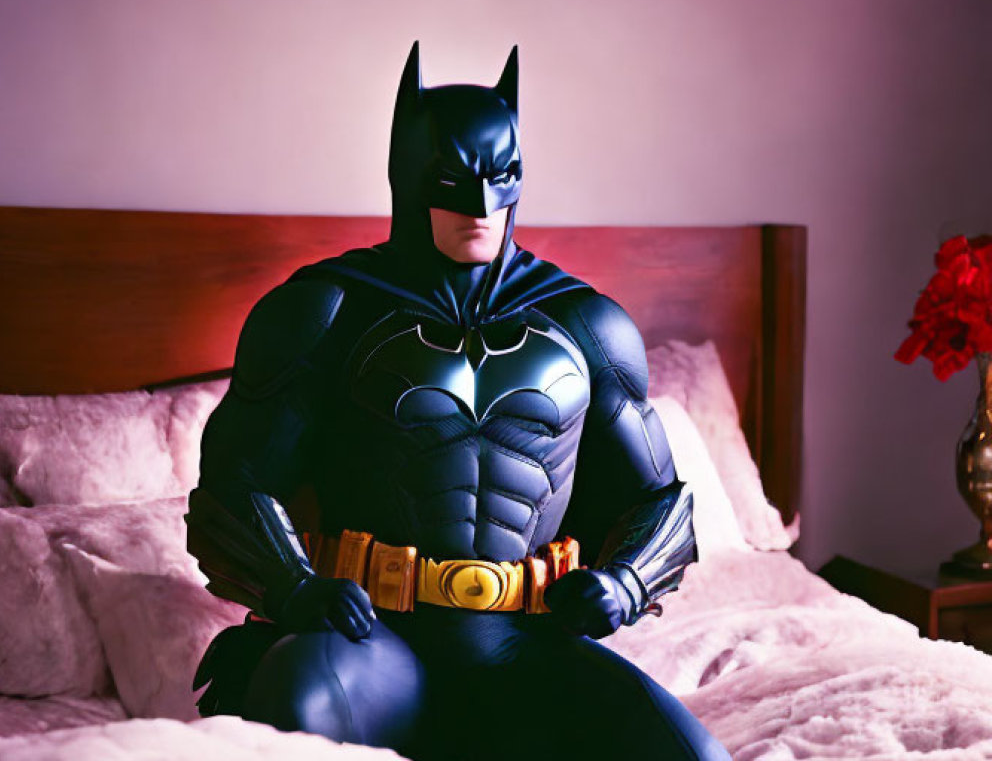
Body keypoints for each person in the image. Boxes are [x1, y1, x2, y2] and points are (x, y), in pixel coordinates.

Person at [184, 42, 731, 761]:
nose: (480, 205)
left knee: (696, 758)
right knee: (299, 704)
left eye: (501, 178)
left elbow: (655, 500)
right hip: (369, 639)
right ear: (408, 178)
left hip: (523, 648)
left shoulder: (585, 325)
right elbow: (237, 484)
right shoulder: (326, 311)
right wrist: (294, 588)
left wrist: (625, 583)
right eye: (452, 180)